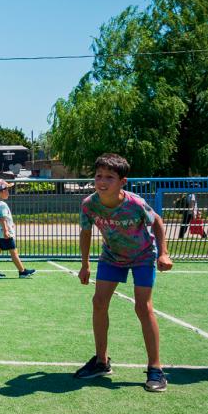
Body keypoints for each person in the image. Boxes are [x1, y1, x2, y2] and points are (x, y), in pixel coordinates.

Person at [75, 153, 173, 392]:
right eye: (99, 176)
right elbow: (86, 233)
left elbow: (157, 221)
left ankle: (155, 368)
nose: (102, 181)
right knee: (99, 302)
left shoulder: (134, 203)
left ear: (123, 182)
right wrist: (85, 264)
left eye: (109, 177)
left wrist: (163, 253)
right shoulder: (89, 204)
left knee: (143, 307)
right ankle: (101, 361)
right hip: (111, 257)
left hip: (142, 257)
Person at [0, 179, 36, 279]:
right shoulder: (2, 205)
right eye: (7, 189)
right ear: (1, 192)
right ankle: (22, 271)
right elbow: (2, 218)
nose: (8, 192)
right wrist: (6, 231)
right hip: (5, 234)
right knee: (13, 252)